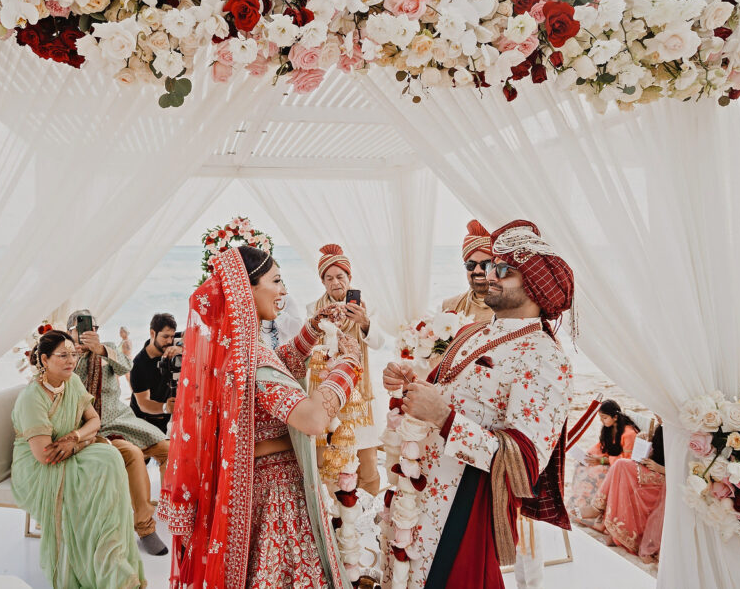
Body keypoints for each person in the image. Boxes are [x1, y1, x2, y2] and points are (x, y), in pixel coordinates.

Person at [382, 219, 574, 589]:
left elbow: (524, 464)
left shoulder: (545, 358)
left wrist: (443, 417)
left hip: (462, 503)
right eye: (489, 266)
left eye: (504, 269)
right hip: (418, 486)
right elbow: (446, 390)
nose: (489, 274)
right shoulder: (473, 332)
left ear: (535, 284)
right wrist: (410, 383)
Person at [160, 246, 364, 589]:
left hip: (254, 493)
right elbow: (312, 419)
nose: (284, 291)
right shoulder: (254, 359)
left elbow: (276, 370)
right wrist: (349, 366)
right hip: (277, 499)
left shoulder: (235, 352)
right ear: (247, 289)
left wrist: (312, 330)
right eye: (277, 281)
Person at [10, 329, 145, 589]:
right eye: (62, 355)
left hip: (69, 449)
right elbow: (45, 455)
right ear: (45, 360)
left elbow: (94, 420)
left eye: (73, 354)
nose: (71, 360)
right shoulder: (32, 398)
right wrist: (80, 441)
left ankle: (111, 558)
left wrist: (75, 437)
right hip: (38, 467)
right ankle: (99, 563)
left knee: (110, 459)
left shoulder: (71, 382)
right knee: (101, 471)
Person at [67, 309, 170, 557]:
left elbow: (127, 365)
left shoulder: (107, 348)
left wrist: (100, 350)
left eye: (93, 328)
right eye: (80, 328)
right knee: (134, 455)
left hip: (123, 420)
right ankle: (145, 528)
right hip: (95, 428)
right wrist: (80, 354)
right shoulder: (67, 355)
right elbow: (70, 388)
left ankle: (171, 505)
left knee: (170, 449)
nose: (87, 333)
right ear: (70, 331)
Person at [306, 244, 386, 496]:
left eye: (340, 276)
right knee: (333, 461)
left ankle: (369, 521)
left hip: (360, 396)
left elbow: (378, 343)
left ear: (349, 278)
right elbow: (308, 348)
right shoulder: (314, 310)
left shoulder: (366, 307)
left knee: (368, 463)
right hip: (328, 392)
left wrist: (364, 322)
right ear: (323, 282)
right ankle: (338, 519)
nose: (335, 282)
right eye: (329, 278)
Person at [589, 424, 666, 557]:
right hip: (653, 469)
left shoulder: (676, 429)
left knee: (622, 466)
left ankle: (597, 509)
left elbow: (682, 470)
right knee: (622, 473)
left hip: (665, 477)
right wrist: (647, 444)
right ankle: (615, 533)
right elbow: (659, 453)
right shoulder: (662, 424)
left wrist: (659, 468)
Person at [569, 399, 639, 523]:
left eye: (604, 418)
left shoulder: (629, 434)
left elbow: (626, 461)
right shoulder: (609, 429)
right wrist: (587, 457)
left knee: (595, 473)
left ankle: (594, 510)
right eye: (601, 418)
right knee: (580, 467)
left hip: (620, 469)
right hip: (609, 462)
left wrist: (602, 461)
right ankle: (579, 505)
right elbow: (601, 447)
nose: (602, 421)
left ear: (615, 417)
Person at [129, 313, 180, 435]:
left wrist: (181, 348)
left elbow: (194, 333)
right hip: (141, 422)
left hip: (164, 421)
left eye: (172, 336)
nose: (169, 341)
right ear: (152, 333)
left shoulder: (171, 343)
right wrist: (165, 408)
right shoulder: (138, 364)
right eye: (165, 336)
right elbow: (143, 403)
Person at [441, 219, 495, 327]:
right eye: (471, 265)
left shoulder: (511, 310)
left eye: (485, 264)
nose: (477, 270)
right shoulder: (450, 306)